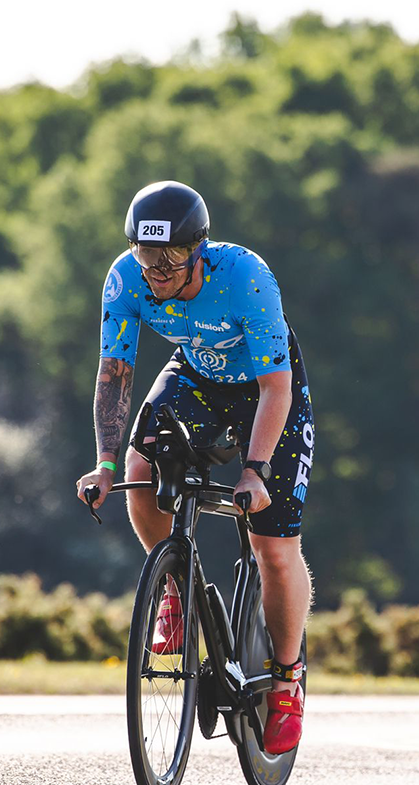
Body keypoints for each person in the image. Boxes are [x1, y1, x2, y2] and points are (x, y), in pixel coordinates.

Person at [75, 181, 315, 754]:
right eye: (146, 256)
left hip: (265, 391)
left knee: (274, 550)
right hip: (197, 378)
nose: (157, 272)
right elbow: (114, 377)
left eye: (172, 258)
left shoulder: (245, 278)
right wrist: (105, 464)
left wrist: (254, 470)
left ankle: (287, 682)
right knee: (139, 464)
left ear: (198, 249)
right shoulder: (124, 279)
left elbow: (275, 388)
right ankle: (176, 592)